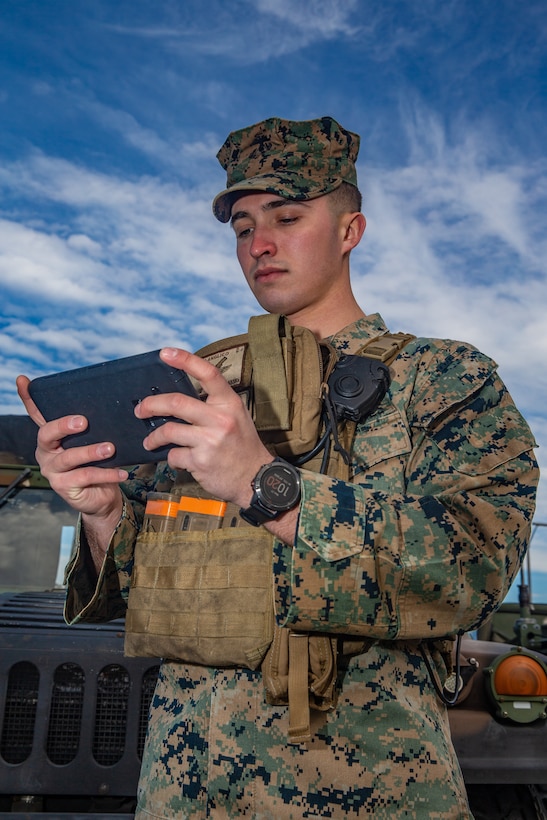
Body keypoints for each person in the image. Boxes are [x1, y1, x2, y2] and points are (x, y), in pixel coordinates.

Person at [17, 116, 538, 819]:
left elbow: (469, 573)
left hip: (366, 796)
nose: (258, 244)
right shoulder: (201, 395)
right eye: (240, 227)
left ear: (349, 230)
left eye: (287, 216)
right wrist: (104, 515)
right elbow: (139, 594)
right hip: (181, 794)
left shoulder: (442, 380)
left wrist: (266, 485)